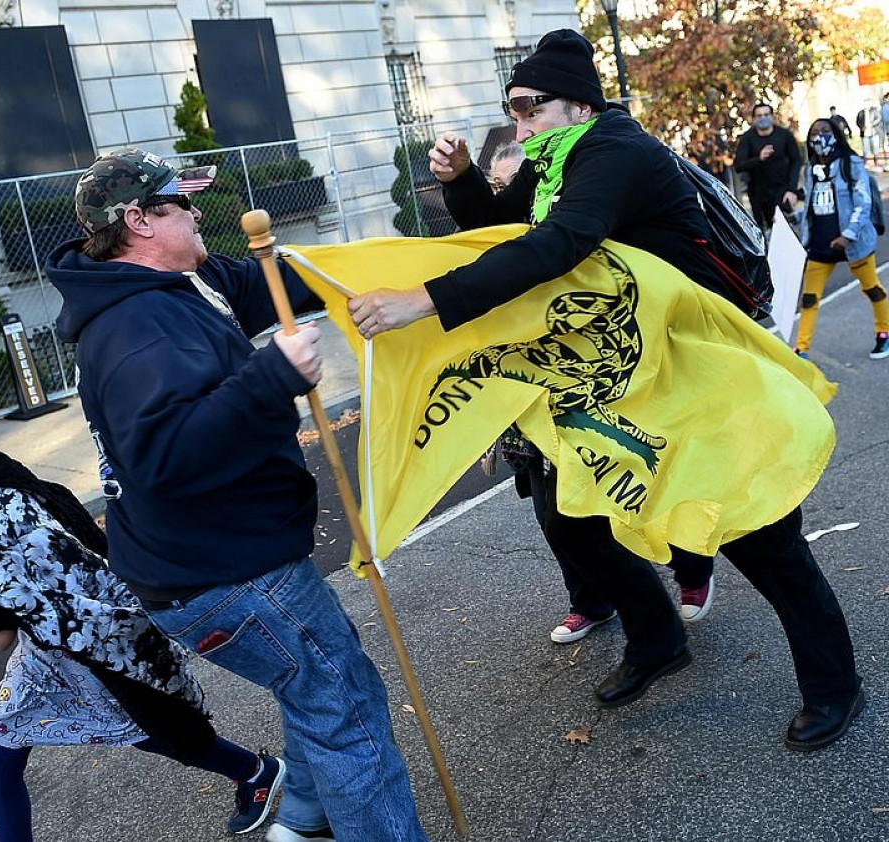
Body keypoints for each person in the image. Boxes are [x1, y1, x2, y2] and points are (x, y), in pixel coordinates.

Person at [346, 28, 864, 752]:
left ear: (579, 106)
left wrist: (423, 300)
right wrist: (462, 180)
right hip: (625, 373)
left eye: (529, 106)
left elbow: (558, 246)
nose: (518, 122)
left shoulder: (616, 152)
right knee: (568, 516)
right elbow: (506, 232)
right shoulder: (555, 159)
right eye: (512, 107)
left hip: (699, 370)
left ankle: (835, 685)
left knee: (759, 535)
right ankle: (656, 640)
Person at [46, 148, 428, 842]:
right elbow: (164, 457)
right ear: (138, 219)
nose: (199, 212)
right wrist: (272, 374)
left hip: (220, 564)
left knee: (309, 688)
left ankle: (304, 823)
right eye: (181, 202)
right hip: (228, 577)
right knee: (346, 705)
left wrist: (421, 275)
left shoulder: (185, 282)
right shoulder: (134, 330)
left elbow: (275, 282)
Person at [0, 413, 285, 841]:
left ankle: (254, 771)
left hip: (80, 654)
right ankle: (253, 771)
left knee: (146, 729)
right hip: (66, 649)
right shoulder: (8, 495)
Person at [479, 140, 715, 643]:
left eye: (511, 185)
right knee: (557, 516)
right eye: (495, 186)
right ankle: (591, 603)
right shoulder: (491, 250)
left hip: (600, 394)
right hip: (533, 405)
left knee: (638, 492)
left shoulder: (579, 230)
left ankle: (692, 569)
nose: (503, 197)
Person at [793, 117, 889, 360]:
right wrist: (792, 216)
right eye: (815, 132)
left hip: (854, 244)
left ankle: (884, 333)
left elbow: (863, 202)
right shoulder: (811, 169)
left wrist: (847, 236)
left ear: (836, 134)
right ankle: (801, 350)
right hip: (820, 245)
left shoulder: (850, 164)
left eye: (825, 131)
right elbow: (813, 206)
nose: (820, 136)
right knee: (809, 298)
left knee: (872, 289)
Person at [733, 102, 802, 231]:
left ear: (772, 116)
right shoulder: (747, 138)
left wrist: (792, 189)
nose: (763, 118)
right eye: (759, 116)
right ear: (753, 119)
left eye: (766, 114)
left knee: (785, 229)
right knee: (763, 232)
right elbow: (739, 165)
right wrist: (759, 159)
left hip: (782, 191)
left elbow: (796, 161)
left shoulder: (784, 135)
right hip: (758, 194)